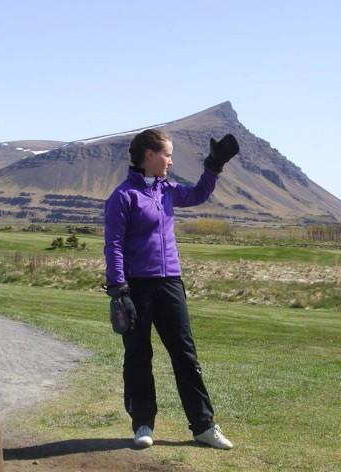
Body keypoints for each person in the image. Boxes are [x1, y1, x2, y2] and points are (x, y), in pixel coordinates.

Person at [103, 128, 239, 449]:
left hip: (170, 283)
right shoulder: (123, 196)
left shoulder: (167, 190)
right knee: (138, 356)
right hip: (135, 287)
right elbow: (114, 245)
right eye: (167, 154)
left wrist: (213, 166)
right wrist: (118, 288)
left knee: (185, 355)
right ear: (149, 155)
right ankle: (143, 425)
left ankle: (203, 426)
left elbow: (198, 194)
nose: (171, 160)